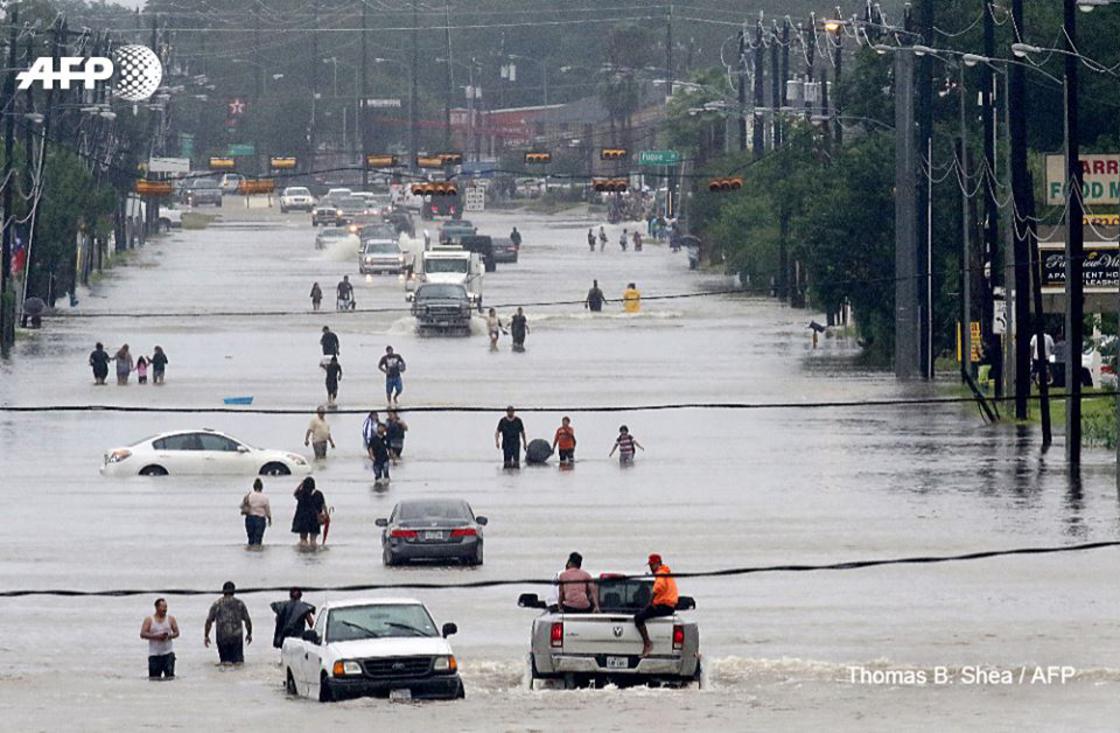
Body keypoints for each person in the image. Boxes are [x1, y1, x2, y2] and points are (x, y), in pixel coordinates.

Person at [635, 554, 678, 657]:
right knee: (644, 612)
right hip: (667, 606)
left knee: (638, 618)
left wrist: (650, 601)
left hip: (665, 606)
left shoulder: (661, 573)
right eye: (650, 565)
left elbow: (659, 586)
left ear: (658, 563)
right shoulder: (666, 573)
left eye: (652, 565)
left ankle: (648, 643)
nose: (650, 568)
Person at [204, 581, 253, 665]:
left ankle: (225, 676)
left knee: (225, 662)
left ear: (223, 591)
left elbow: (209, 621)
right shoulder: (239, 604)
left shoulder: (217, 604)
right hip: (236, 636)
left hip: (222, 637)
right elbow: (247, 620)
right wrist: (249, 633)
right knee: (238, 663)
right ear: (234, 591)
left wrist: (206, 635)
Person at [140, 597, 179, 680]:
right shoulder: (149, 620)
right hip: (154, 655)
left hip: (168, 654)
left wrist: (168, 636)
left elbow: (177, 633)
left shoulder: (171, 619)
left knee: (170, 679)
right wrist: (157, 637)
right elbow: (142, 634)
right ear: (157, 607)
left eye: (166, 607)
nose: (165, 609)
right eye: (163, 607)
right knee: (154, 679)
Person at [291, 477, 326, 548]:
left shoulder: (301, 493)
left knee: (303, 540)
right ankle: (313, 553)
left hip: (302, 518)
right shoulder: (318, 494)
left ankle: (304, 553)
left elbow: (295, 493)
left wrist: (301, 484)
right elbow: (323, 505)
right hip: (314, 518)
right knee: (313, 541)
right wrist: (326, 515)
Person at [240, 478, 272, 547]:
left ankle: (250, 553)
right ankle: (258, 554)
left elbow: (242, 506)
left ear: (254, 487)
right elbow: (267, 510)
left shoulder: (248, 496)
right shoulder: (264, 498)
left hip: (249, 519)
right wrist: (269, 519)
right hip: (260, 519)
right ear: (261, 487)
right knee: (258, 539)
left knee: (250, 539)